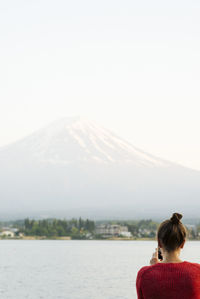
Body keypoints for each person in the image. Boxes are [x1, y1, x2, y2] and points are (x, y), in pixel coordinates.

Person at [136, 212, 200, 299]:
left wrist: (154, 269)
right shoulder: (197, 271)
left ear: (159, 243)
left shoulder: (144, 274)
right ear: (183, 243)